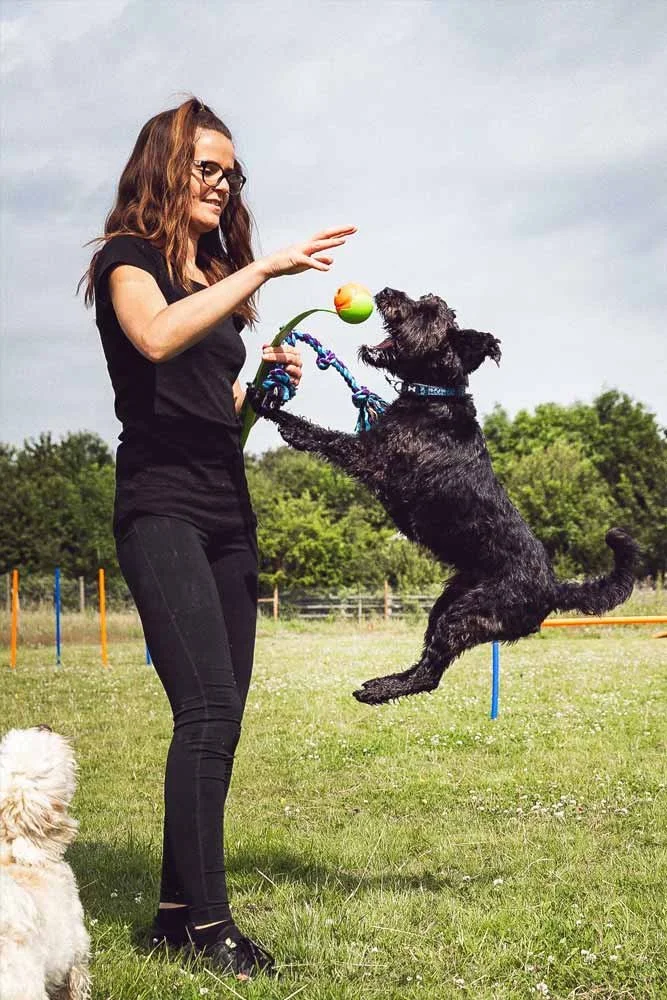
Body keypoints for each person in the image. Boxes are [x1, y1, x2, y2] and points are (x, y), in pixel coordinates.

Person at [81, 96, 355, 980]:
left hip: (227, 510)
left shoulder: (213, 276)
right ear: (165, 166)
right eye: (207, 167)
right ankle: (210, 928)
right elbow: (155, 340)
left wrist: (260, 390)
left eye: (231, 172)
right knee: (202, 708)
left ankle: (170, 914)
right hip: (159, 509)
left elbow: (215, 413)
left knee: (220, 714)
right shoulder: (129, 261)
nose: (222, 182)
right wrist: (266, 270)